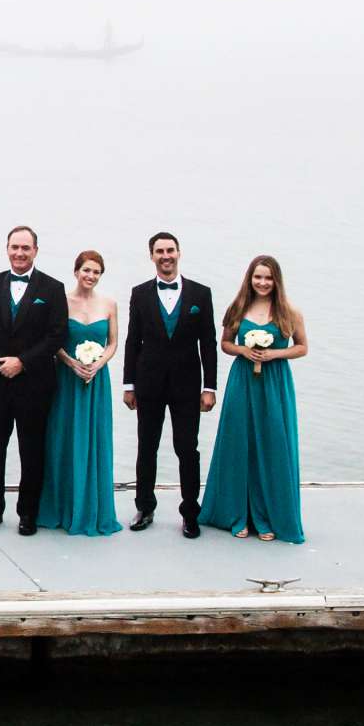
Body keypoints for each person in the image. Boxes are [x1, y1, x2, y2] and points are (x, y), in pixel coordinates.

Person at [198, 256, 308, 543]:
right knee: (239, 444)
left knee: (273, 446)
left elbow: (301, 347)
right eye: (258, 277)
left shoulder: (289, 312)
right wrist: (243, 351)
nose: (262, 283)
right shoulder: (238, 308)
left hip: (274, 385)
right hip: (243, 381)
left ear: (276, 281)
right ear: (250, 278)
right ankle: (238, 514)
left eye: (268, 278)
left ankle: (268, 516)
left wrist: (274, 354)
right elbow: (225, 343)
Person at [0, 225, 68, 535]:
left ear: (35, 251)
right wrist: (3, 361)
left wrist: (22, 362)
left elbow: (57, 334)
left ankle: (28, 513)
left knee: (32, 449)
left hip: (35, 382)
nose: (20, 253)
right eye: (15, 247)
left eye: (26, 248)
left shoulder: (52, 288)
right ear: (7, 249)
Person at [122, 231, 218, 537]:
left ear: (179, 253)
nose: (166, 256)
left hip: (187, 385)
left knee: (187, 448)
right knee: (146, 447)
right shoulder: (139, 293)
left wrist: (210, 387)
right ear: (151, 256)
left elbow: (209, 344)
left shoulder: (200, 295)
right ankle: (144, 507)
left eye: (170, 250)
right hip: (148, 382)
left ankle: (190, 511)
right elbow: (131, 341)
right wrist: (128, 384)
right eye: (159, 251)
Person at [38, 250, 122, 536]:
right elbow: (54, 340)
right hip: (67, 378)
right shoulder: (61, 302)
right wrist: (72, 362)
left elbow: (112, 343)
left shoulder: (109, 304)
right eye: (86, 270)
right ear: (76, 272)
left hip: (96, 380)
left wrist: (98, 364)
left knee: (95, 439)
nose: (90, 276)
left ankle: (92, 508)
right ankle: (63, 506)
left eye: (96, 272)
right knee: (64, 438)